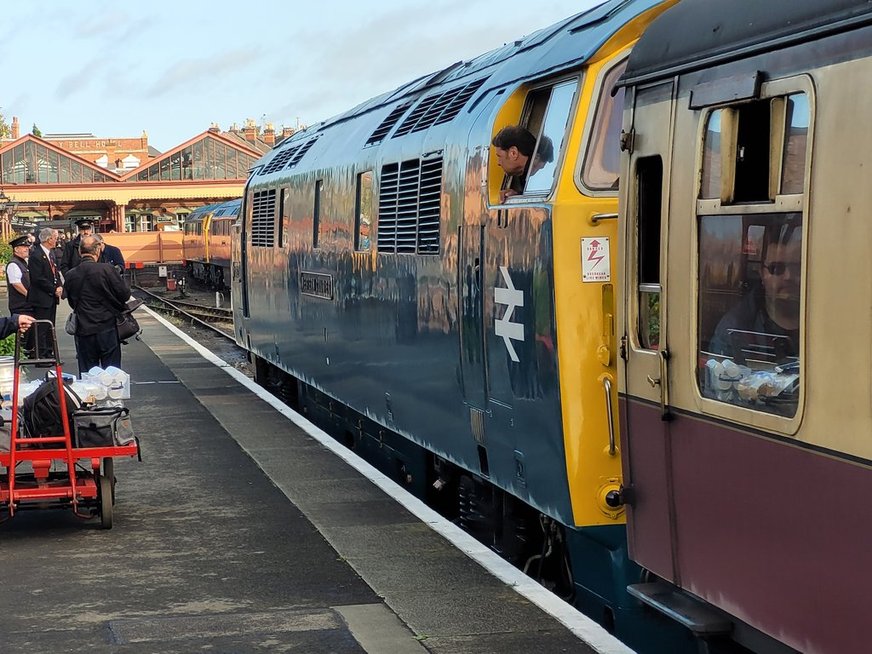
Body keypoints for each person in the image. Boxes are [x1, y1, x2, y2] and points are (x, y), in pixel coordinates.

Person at [709, 226, 801, 363]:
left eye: (796, 267)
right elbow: (720, 379)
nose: (788, 276)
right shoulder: (734, 327)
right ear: (762, 274)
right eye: (776, 268)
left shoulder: (827, 317)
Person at [63, 235, 131, 374]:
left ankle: (90, 395)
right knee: (112, 372)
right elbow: (124, 294)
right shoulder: (107, 270)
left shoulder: (71, 274)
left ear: (80, 252)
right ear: (98, 251)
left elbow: (71, 301)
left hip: (83, 328)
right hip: (107, 326)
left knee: (88, 372)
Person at [28, 227, 64, 359]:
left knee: (50, 326)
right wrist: (53, 289)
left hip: (51, 298)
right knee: (42, 327)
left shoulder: (51, 254)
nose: (56, 240)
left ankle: (49, 352)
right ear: (49, 239)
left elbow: (55, 272)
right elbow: (38, 278)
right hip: (41, 297)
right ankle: (41, 354)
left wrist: (59, 286)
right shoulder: (36, 255)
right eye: (55, 238)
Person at [491, 125, 536, 201]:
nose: (498, 163)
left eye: (499, 156)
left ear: (513, 153)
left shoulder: (541, 176)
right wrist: (518, 195)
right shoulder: (531, 174)